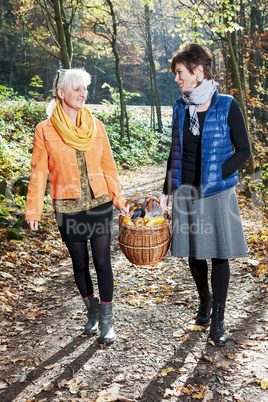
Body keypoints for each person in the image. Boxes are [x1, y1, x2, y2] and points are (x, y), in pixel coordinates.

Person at [25, 68, 126, 344]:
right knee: (79, 263)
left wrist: (118, 199)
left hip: (100, 202)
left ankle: (107, 322)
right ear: (61, 93)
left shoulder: (96, 126)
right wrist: (33, 209)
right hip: (68, 207)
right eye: (77, 89)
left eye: (85, 89)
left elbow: (109, 167)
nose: (83, 94)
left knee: (103, 261)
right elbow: (39, 173)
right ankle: (92, 312)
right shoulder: (44, 130)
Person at [160, 44, 251, 346]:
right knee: (195, 254)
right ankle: (205, 301)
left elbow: (244, 151)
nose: (177, 79)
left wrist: (219, 173)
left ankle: (220, 321)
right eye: (176, 74)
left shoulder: (227, 105)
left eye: (180, 73)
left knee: (219, 255)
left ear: (198, 72)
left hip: (217, 193)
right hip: (185, 193)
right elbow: (174, 152)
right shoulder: (179, 108)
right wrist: (166, 192)